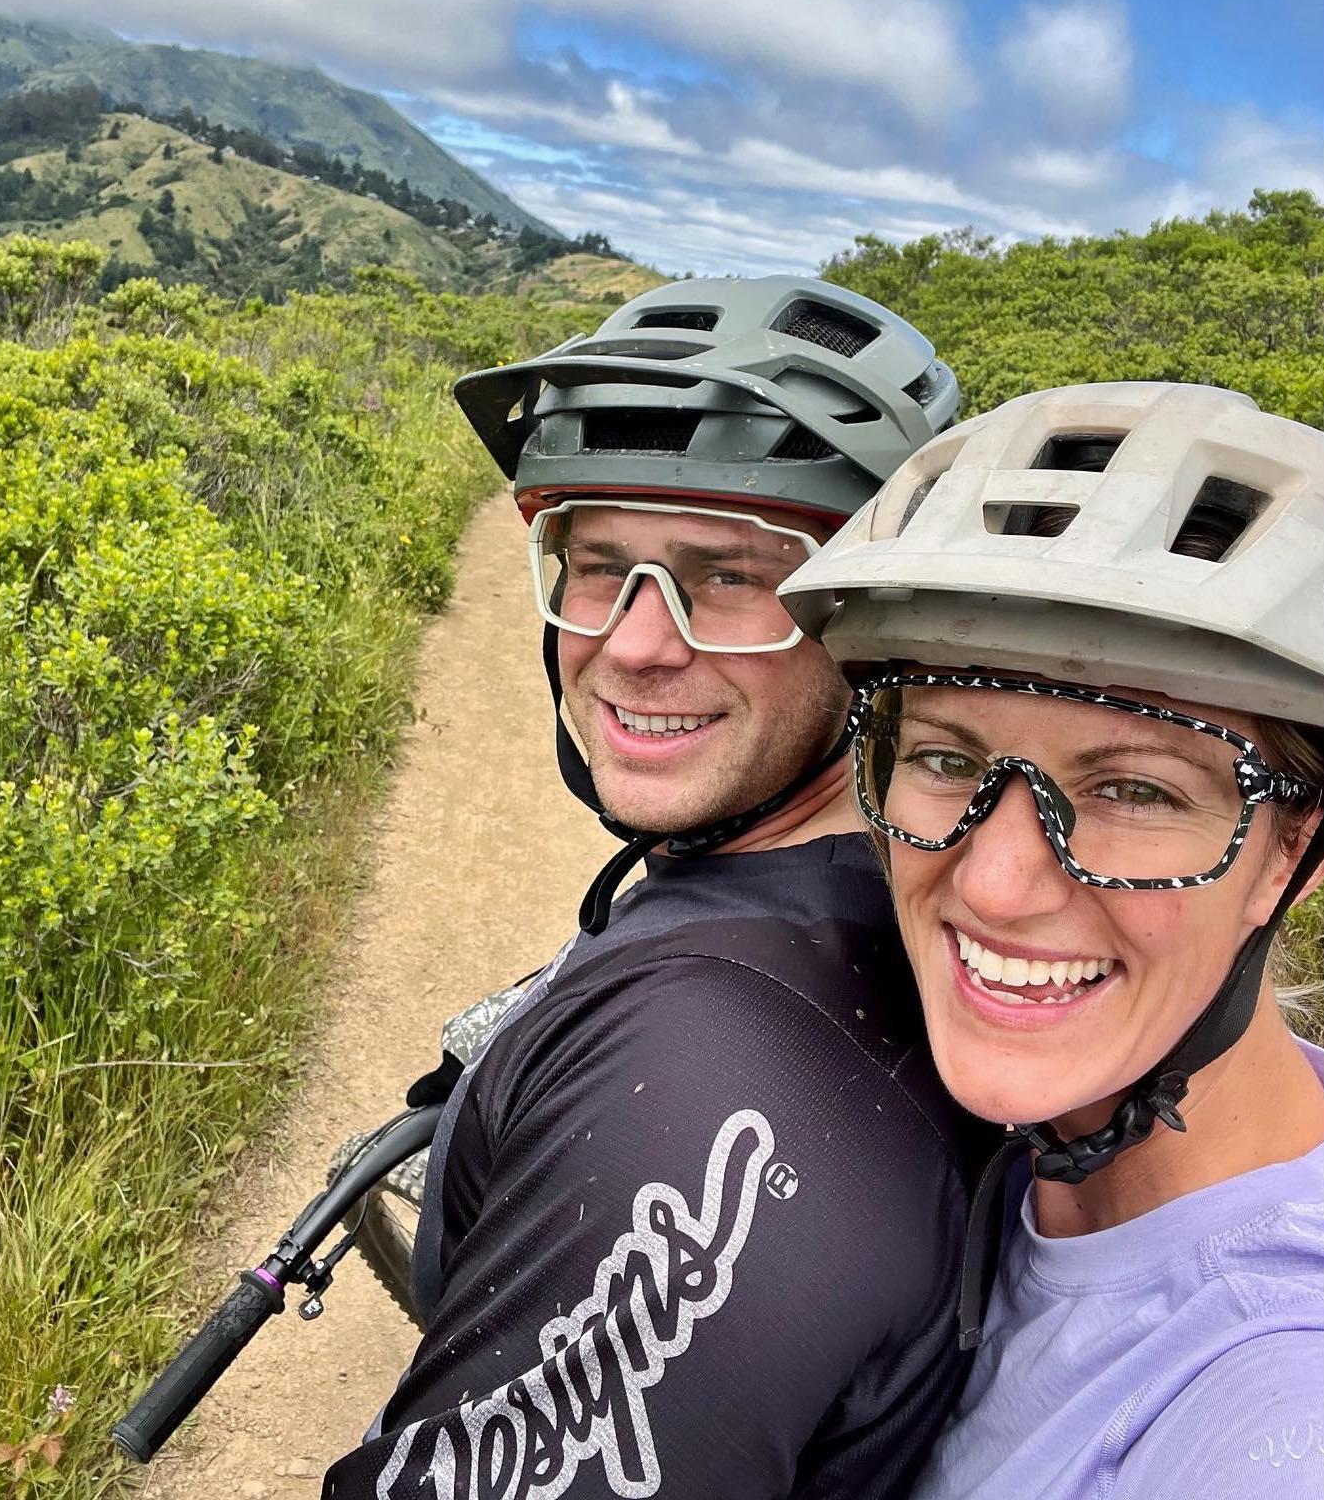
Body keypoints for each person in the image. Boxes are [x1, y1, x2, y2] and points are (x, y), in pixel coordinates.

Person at [321, 277, 987, 1500]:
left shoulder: (702, 1083)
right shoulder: (890, 903)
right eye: (599, 566)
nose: (634, 642)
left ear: (871, 628)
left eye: (727, 577)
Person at [777, 379, 1324, 1496]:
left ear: (1293, 852)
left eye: (1133, 787)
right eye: (943, 758)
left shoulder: (1291, 1398)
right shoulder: (1037, 1144)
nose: (997, 881)